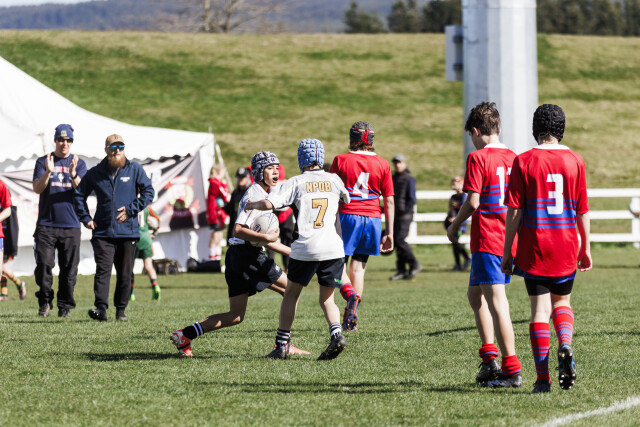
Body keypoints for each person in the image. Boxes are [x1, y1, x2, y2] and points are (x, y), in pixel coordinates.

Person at [170, 151, 309, 357]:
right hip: (247, 255)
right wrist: (267, 238)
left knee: (236, 316)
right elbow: (238, 229)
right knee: (291, 289)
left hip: (237, 255)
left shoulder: (263, 194)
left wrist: (296, 252)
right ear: (259, 172)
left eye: (277, 167)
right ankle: (283, 344)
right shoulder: (255, 195)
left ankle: (185, 335)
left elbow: (267, 241)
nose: (275, 172)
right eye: (270, 168)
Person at [502, 104, 592, 394]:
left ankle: (543, 380)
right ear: (561, 129)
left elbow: (514, 211)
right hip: (566, 245)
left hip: (535, 246)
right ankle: (565, 343)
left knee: (539, 311)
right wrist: (586, 247)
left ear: (535, 129)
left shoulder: (524, 161)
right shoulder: (575, 160)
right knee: (562, 303)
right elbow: (582, 210)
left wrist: (507, 250)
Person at [247, 139, 351, 360]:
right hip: (333, 248)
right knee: (327, 299)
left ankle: (281, 345)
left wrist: (251, 204)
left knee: (291, 295)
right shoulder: (334, 179)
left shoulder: (295, 182)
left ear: (301, 158)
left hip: (305, 247)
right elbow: (346, 199)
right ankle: (336, 334)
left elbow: (270, 204)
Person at [447, 102, 523, 388]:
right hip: (509, 237)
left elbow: (474, 202)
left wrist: (454, 225)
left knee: (497, 302)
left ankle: (511, 369)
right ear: (498, 128)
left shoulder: (477, 158)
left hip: (489, 236)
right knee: (474, 294)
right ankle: (489, 358)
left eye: (472, 136)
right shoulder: (514, 157)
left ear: (476, 132)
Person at [74, 134, 154, 322]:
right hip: (103, 233)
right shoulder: (95, 172)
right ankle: (101, 309)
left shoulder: (134, 169)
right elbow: (78, 195)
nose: (117, 150)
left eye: (121, 147)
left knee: (125, 273)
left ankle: (121, 310)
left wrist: (131, 210)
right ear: (106, 150)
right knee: (103, 271)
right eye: (113, 147)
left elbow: (149, 192)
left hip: (128, 232)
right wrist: (86, 218)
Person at [330, 121, 394, 331]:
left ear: (352, 138)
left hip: (348, 216)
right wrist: (390, 232)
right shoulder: (383, 164)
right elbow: (389, 201)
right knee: (358, 268)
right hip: (373, 219)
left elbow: (331, 193)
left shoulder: (341, 160)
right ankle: (351, 318)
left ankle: (349, 295)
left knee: (337, 264)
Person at [32, 124, 86, 318]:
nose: (64, 143)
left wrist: (73, 175)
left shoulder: (79, 163)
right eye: (61, 140)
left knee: (69, 270)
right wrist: (48, 172)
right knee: (44, 266)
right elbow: (37, 188)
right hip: (46, 225)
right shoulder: (43, 161)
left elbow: (82, 191)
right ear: (55, 140)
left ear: (71, 142)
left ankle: (65, 307)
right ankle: (45, 302)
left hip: (71, 225)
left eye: (68, 140)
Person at [389, 153, 421, 280]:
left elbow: (412, 199)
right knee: (396, 242)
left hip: (405, 216)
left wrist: (404, 210)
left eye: (400, 162)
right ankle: (401, 270)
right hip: (395, 216)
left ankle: (414, 264)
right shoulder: (393, 178)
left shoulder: (409, 178)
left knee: (399, 240)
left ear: (404, 163)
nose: (397, 165)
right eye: (396, 163)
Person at [266, 163, 295, 271]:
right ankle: (270, 265)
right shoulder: (268, 186)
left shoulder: (285, 184)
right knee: (270, 240)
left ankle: (288, 266)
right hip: (272, 213)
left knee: (287, 240)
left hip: (285, 214)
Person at [130, 206, 161, 302]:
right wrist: (154, 232)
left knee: (130, 267)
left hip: (133, 239)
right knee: (148, 266)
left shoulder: (130, 204)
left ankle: (130, 293)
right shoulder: (146, 207)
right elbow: (158, 220)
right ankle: (155, 286)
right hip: (146, 238)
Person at [0, 202, 26, 301]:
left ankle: (19, 284)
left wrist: (12, 246)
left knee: (3, 267)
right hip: (4, 241)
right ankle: (4, 293)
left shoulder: (10, 210)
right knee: (3, 268)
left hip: (7, 243)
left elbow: (13, 229)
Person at [445, 176, 471, 271]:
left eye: (455, 183)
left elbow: (464, 210)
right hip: (452, 224)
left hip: (460, 225)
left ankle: (467, 257)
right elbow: (451, 208)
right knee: (453, 242)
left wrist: (456, 219)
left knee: (455, 241)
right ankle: (458, 264)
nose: (453, 185)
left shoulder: (464, 197)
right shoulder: (453, 197)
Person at [206, 164, 231, 261]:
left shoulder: (217, 182)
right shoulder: (214, 183)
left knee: (219, 236)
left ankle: (217, 259)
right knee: (215, 237)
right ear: (219, 172)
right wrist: (224, 184)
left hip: (219, 214)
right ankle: (213, 261)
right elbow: (225, 196)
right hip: (214, 214)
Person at [224, 167, 252, 245]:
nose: (240, 179)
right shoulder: (235, 192)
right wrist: (223, 205)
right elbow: (230, 210)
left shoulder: (250, 191)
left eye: (242, 177)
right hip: (235, 224)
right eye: (239, 177)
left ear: (247, 178)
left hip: (245, 226)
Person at [0, 179, 14, 301]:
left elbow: (8, 210)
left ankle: (5, 293)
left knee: (1, 270)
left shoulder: (1, 185)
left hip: (0, 236)